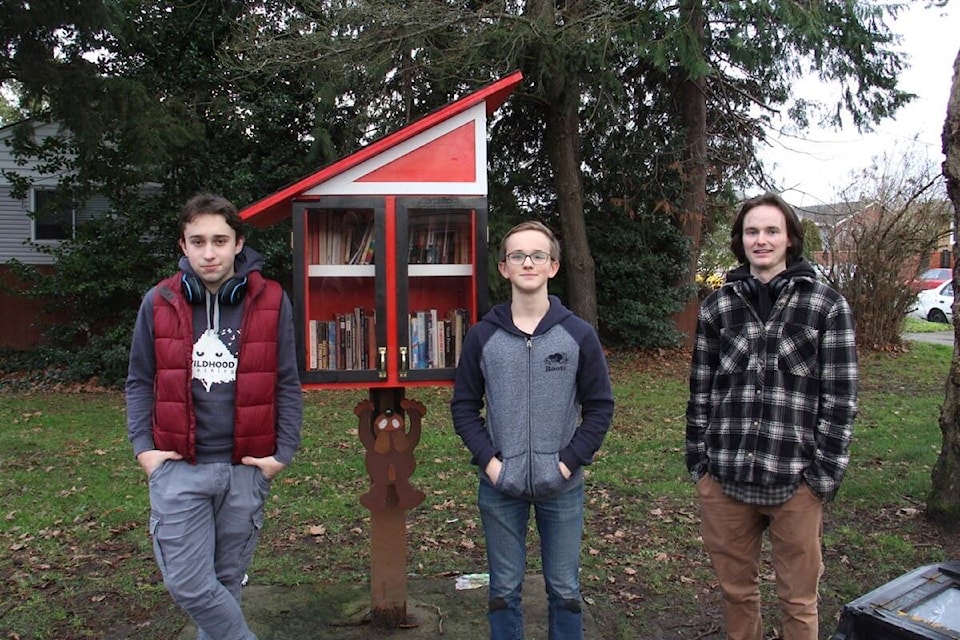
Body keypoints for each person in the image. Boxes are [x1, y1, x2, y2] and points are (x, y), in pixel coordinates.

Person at [126, 193, 303, 640]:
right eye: (198, 241)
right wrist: (144, 450)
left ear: (238, 243)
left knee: (225, 584)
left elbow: (286, 378)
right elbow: (139, 380)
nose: (209, 252)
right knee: (187, 581)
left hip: (245, 468)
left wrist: (282, 452)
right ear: (182, 246)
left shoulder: (273, 300)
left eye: (220, 240)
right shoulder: (159, 301)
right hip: (179, 467)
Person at [685, 192, 858, 640]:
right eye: (752, 232)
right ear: (740, 242)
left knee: (798, 602)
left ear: (790, 239)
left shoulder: (825, 306)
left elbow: (841, 397)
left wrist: (823, 475)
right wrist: (700, 465)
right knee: (736, 594)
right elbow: (700, 389)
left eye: (771, 231)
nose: (761, 240)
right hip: (726, 479)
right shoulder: (718, 308)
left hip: (795, 480)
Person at [450, 220, 615, 640]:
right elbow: (465, 407)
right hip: (500, 486)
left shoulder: (578, 335)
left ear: (553, 266)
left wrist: (566, 463)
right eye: (518, 256)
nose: (528, 262)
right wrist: (490, 463)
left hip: (561, 486)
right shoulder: (482, 337)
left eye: (537, 255)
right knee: (504, 588)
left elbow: (599, 408)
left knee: (564, 589)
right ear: (503, 268)